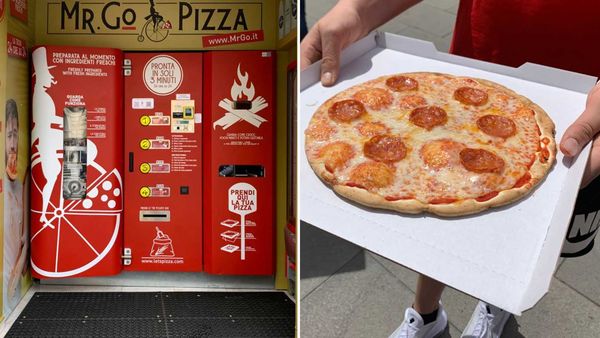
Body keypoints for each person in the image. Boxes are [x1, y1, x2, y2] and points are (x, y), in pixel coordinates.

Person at [301, 1, 600, 337]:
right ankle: (426, 316)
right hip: (477, 52)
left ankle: (493, 304)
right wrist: (360, 9)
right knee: (442, 237)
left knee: (520, 236)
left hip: (586, 96)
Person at [3, 99, 29, 316]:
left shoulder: (20, 185)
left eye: (15, 135)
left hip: (15, 294)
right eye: (9, 135)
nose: (13, 144)